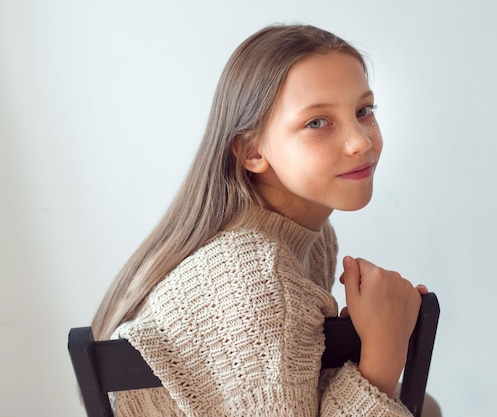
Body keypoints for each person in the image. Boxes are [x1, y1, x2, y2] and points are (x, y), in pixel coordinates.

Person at [91, 23, 441, 417]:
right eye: (317, 122)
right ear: (253, 151)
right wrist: (382, 354)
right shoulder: (254, 279)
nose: (360, 140)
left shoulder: (314, 236)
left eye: (363, 110)